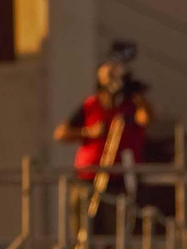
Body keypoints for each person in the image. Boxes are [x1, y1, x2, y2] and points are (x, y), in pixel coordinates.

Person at [54, 53, 154, 238]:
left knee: (116, 232)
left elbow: (146, 119)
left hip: (117, 180)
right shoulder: (90, 106)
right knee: (83, 232)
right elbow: (61, 133)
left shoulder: (129, 107)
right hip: (87, 178)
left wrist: (137, 96)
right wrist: (88, 132)